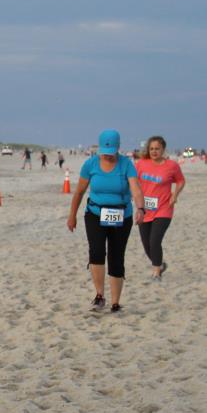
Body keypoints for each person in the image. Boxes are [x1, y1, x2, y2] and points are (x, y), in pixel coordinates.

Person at [67, 129, 145, 312]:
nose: (108, 156)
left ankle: (115, 302)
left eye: (111, 153)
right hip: (95, 213)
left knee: (116, 257)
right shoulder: (90, 164)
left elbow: (136, 189)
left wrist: (141, 209)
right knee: (96, 251)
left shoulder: (126, 164)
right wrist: (72, 216)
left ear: (118, 148)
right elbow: (79, 192)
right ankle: (99, 295)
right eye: (105, 153)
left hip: (121, 215)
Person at [135, 136, 186, 280]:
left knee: (154, 241)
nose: (154, 151)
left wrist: (175, 194)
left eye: (157, 149)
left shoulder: (172, 165)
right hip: (144, 208)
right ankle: (160, 264)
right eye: (151, 149)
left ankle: (156, 272)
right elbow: (133, 181)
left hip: (164, 208)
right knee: (146, 244)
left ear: (163, 149)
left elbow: (181, 181)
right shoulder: (141, 164)